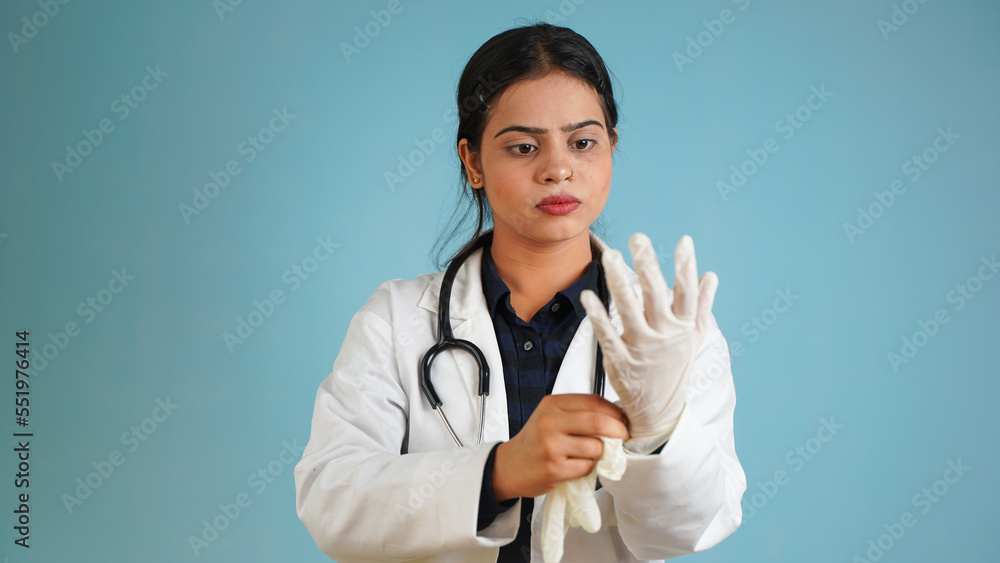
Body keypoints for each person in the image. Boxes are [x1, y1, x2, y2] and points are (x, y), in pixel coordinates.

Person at [294, 22, 745, 563]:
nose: (558, 168)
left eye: (583, 142)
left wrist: (659, 434)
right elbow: (331, 503)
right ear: (473, 161)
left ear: (610, 148)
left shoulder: (670, 328)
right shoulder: (394, 321)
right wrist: (501, 471)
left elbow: (692, 529)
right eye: (524, 146)